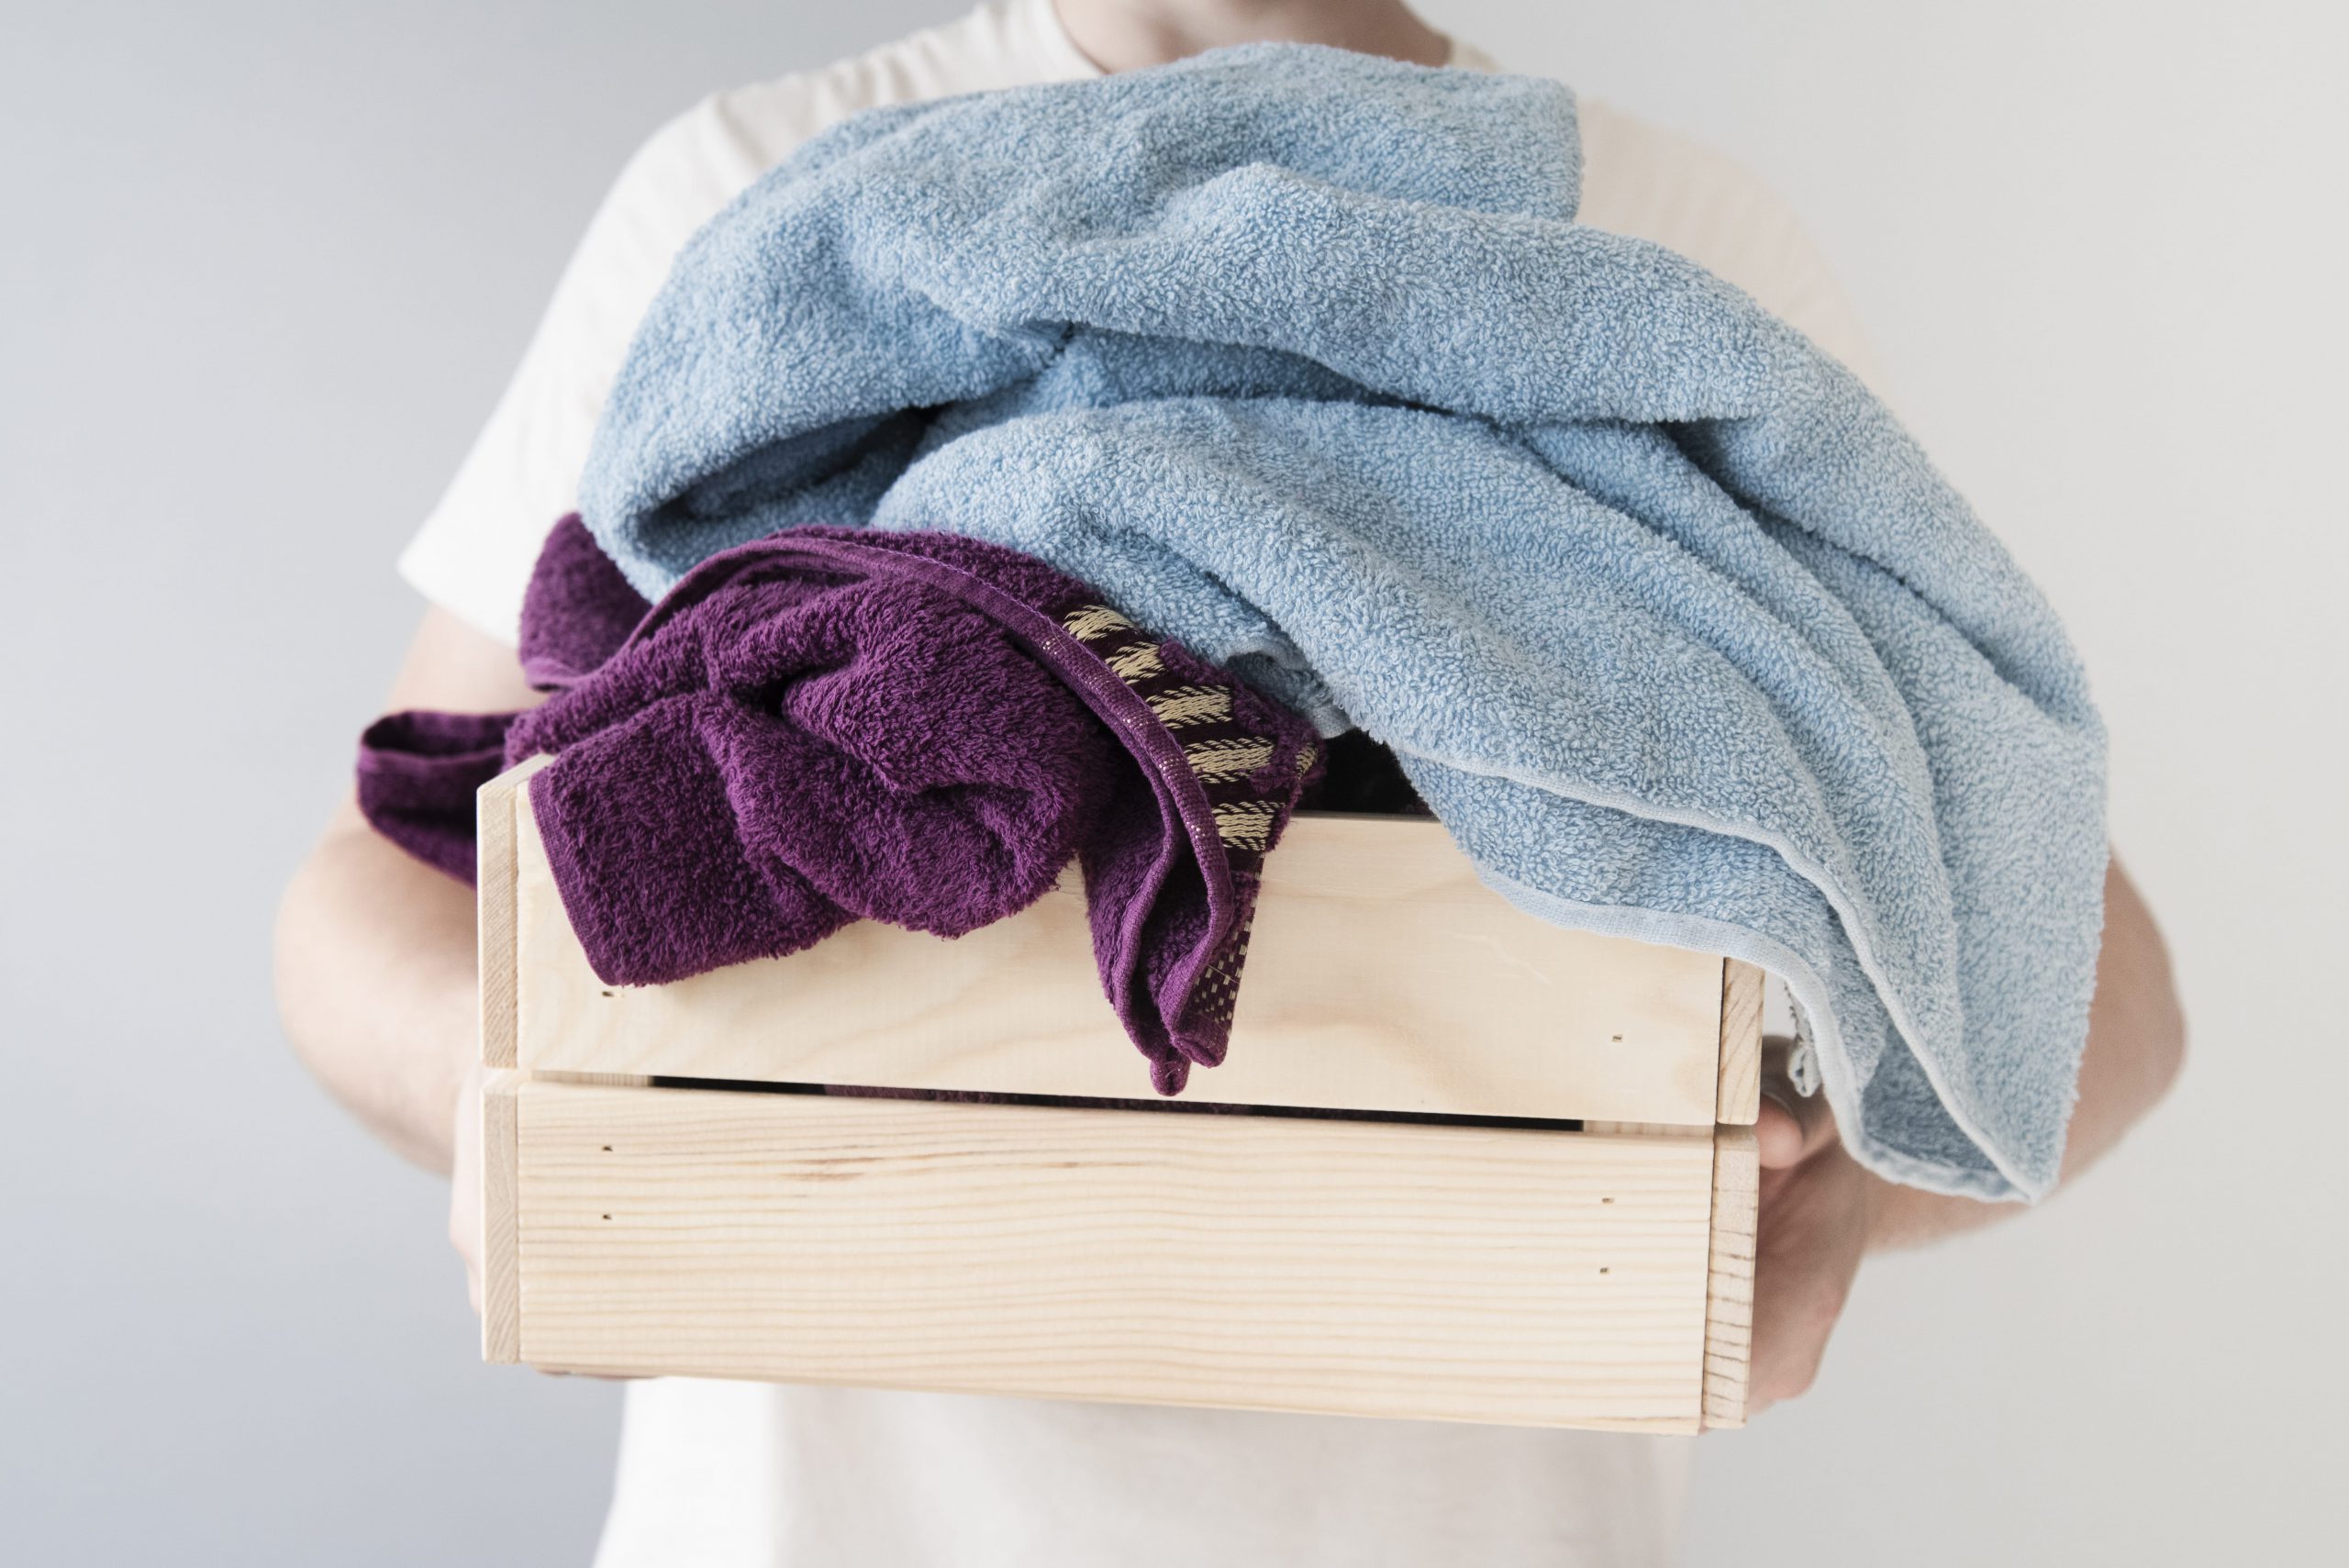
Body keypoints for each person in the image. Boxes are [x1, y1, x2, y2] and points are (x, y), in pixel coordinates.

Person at [273, 2, 2187, 1562]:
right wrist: (540, 1110)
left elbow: (2090, 986)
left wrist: (1838, 1178)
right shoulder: (758, 204)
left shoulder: (1658, 249)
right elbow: (381, 893)